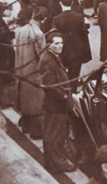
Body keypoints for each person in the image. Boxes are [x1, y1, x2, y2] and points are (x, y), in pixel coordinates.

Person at [38, 32, 76, 172]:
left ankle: (53, 161)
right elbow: (49, 85)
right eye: (56, 43)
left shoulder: (52, 56)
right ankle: (57, 164)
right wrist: (64, 97)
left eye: (61, 43)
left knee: (54, 134)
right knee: (54, 136)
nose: (60, 46)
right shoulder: (48, 60)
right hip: (55, 105)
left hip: (55, 104)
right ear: (49, 44)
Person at [14, 7, 46, 139]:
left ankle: (25, 126)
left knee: (24, 99)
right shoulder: (38, 34)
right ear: (43, 19)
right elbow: (42, 56)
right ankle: (36, 131)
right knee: (36, 102)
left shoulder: (21, 30)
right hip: (34, 72)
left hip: (21, 69)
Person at [53, 0, 92, 87]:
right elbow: (84, 35)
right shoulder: (78, 17)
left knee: (62, 74)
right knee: (74, 75)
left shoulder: (56, 19)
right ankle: (73, 93)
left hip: (62, 50)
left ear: (60, 3)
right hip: (76, 50)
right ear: (72, 3)